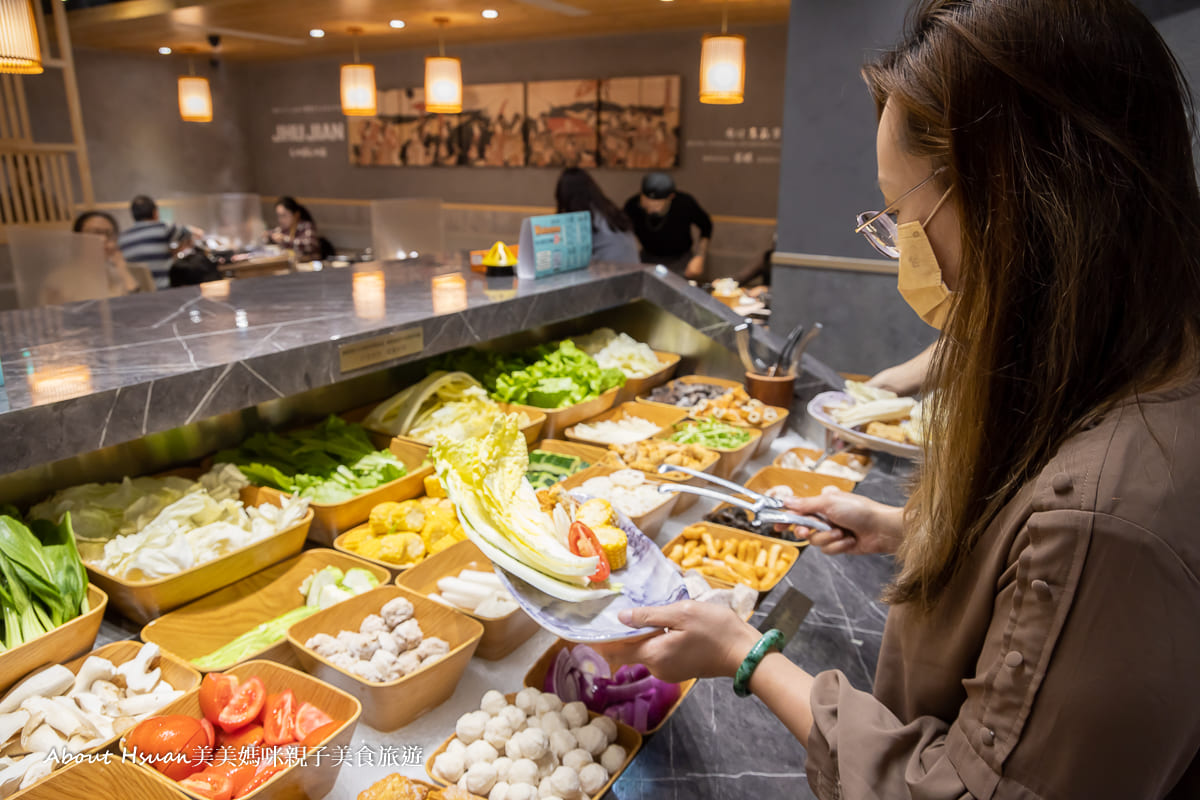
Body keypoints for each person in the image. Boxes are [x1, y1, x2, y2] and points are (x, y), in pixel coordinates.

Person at [606, 1, 1200, 797]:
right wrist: (906, 528)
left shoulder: (1111, 520)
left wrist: (746, 655)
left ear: (1018, 209)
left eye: (901, 221)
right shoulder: (1132, 365)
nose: (901, 260)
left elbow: (962, 787)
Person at [623, 172, 713, 278]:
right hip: (648, 258)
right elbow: (622, 232)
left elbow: (706, 226)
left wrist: (699, 257)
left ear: (671, 197)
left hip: (680, 260)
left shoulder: (685, 203)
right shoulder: (632, 205)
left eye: (657, 205)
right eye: (646, 203)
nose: (651, 209)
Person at [554, 167, 639, 264]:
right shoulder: (607, 209)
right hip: (633, 269)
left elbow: (570, 257)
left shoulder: (584, 218)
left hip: (613, 271)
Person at [117, 194, 190, 289]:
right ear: (155, 212)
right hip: (165, 290)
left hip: (138, 293)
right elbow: (188, 234)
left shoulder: (123, 238)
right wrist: (175, 252)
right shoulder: (162, 228)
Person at [266, 196, 320, 262]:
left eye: (283, 215)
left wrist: (284, 239)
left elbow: (309, 245)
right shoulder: (283, 229)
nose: (280, 220)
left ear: (296, 215)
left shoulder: (306, 226)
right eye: (278, 216)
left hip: (308, 266)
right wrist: (267, 235)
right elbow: (270, 233)